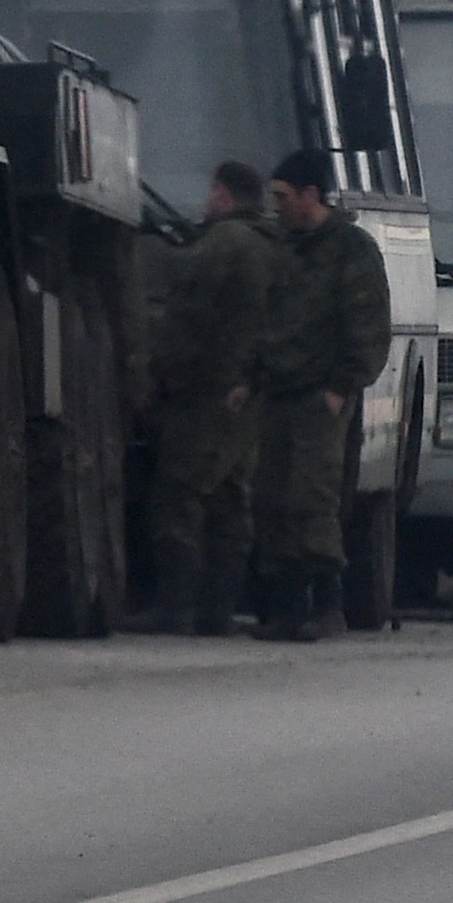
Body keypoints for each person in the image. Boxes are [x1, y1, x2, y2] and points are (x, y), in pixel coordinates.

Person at [248, 145, 396, 642]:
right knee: (271, 497)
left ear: (311, 195)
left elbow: (368, 326)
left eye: (284, 196)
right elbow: (265, 322)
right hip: (278, 392)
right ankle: (287, 607)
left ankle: (328, 603)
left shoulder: (351, 250)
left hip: (320, 395)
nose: (277, 206)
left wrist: (340, 387)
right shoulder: (284, 249)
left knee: (312, 498)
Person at [142, 162, 279, 635]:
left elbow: (187, 318)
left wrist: (160, 376)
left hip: (207, 392)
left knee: (178, 497)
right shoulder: (274, 245)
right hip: (250, 393)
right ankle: (218, 609)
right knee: (230, 500)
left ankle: (176, 606)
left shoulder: (222, 244)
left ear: (221, 195)